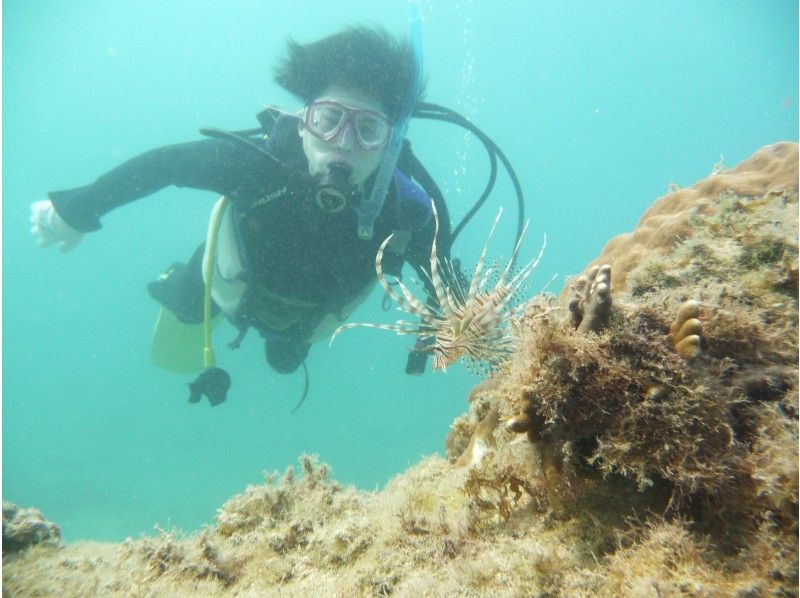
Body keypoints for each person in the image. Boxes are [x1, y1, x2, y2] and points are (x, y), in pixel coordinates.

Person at [30, 27, 449, 406]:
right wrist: (76, 210)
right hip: (222, 281)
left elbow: (445, 283)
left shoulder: (405, 211)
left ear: (389, 145)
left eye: (369, 130)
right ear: (302, 123)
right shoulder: (255, 165)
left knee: (285, 358)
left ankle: (283, 343)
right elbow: (166, 165)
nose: (343, 144)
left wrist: (457, 327)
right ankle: (184, 284)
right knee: (186, 304)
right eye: (328, 119)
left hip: (308, 316)